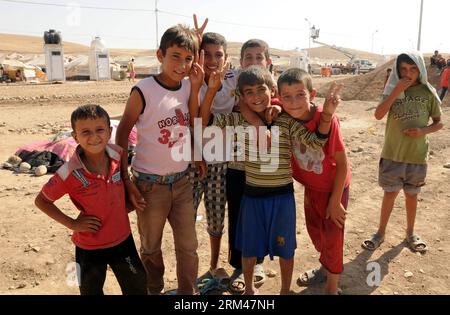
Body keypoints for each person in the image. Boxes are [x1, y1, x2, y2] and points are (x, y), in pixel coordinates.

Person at [199, 65, 339, 295]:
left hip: (282, 197)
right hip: (252, 196)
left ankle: (285, 289)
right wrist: (211, 91)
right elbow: (204, 121)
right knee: (249, 248)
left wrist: (327, 114)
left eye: (260, 90)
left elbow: (315, 142)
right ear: (241, 97)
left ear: (271, 89)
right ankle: (249, 291)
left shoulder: (286, 121)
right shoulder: (237, 120)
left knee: (286, 249)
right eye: (249, 92)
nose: (256, 97)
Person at [115, 24, 205, 295]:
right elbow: (122, 132)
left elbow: (193, 121)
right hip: (149, 186)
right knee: (151, 247)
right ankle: (154, 289)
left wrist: (198, 154)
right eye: (175, 56)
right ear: (160, 55)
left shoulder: (189, 87)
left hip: (182, 183)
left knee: (188, 247)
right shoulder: (143, 89)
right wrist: (125, 179)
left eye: (188, 58)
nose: (182, 64)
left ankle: (188, 295)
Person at [34, 104, 147, 295]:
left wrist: (129, 201)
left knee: (137, 285)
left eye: (100, 130)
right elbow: (41, 201)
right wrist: (73, 224)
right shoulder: (68, 172)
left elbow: (123, 178)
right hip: (89, 247)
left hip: (123, 239)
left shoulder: (118, 154)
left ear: (110, 131)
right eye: (85, 132)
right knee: (90, 291)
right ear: (75, 136)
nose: (94, 137)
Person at [275, 68, 350, 295]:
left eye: (300, 94)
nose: (293, 102)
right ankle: (324, 266)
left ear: (312, 94)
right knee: (316, 232)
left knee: (333, 238)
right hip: (311, 189)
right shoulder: (283, 116)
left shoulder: (325, 118)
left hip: (334, 188)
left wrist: (336, 201)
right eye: (286, 96)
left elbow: (343, 163)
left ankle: (331, 288)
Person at [362, 52, 443, 254]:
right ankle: (380, 233)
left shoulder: (428, 93)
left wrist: (422, 131)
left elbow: (439, 123)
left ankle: (410, 233)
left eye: (413, 69)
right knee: (389, 194)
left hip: (416, 156)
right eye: (403, 69)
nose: (408, 73)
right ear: (398, 71)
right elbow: (378, 114)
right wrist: (397, 89)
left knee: (411, 195)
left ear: (420, 70)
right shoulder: (393, 89)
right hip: (393, 154)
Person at [187, 32, 237, 282]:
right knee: (186, 218)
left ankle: (214, 266)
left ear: (226, 57)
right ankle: (188, 269)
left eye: (218, 54)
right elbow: (196, 122)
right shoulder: (189, 81)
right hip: (191, 161)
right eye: (206, 54)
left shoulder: (233, 81)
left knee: (216, 217)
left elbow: (261, 87)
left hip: (220, 161)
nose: (212, 60)